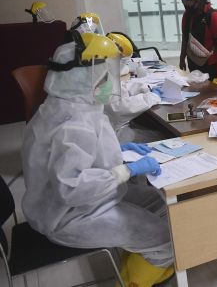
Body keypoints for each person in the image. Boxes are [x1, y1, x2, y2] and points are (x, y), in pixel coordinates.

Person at [22, 31, 174, 286]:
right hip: (68, 216)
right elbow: (72, 188)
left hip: (87, 199)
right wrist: (127, 171)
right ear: (83, 79)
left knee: (160, 201)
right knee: (168, 238)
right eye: (105, 76)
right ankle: (129, 281)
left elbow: (82, 153)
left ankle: (137, 252)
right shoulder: (73, 122)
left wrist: (118, 148)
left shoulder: (69, 105)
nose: (109, 83)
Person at [179, 0, 217, 80]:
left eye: (188, 3)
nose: (186, 6)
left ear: (197, 1)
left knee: (213, 92)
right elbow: (185, 38)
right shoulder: (187, 15)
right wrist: (182, 58)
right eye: (183, 3)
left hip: (211, 64)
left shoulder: (213, 16)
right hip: (193, 61)